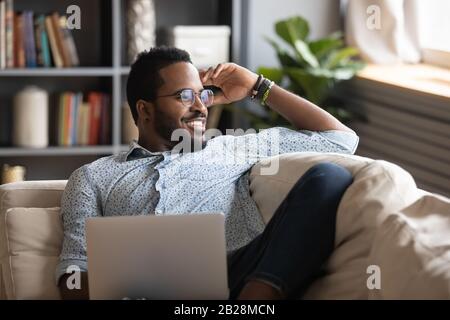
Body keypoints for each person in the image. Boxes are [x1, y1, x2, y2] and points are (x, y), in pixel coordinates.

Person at [57, 46, 358, 300]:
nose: (201, 107)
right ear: (145, 110)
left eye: (204, 95)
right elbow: (72, 272)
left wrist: (258, 87)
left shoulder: (232, 148)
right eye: (185, 97)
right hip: (149, 292)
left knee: (329, 178)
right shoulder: (93, 177)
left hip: (241, 276)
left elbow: (341, 140)